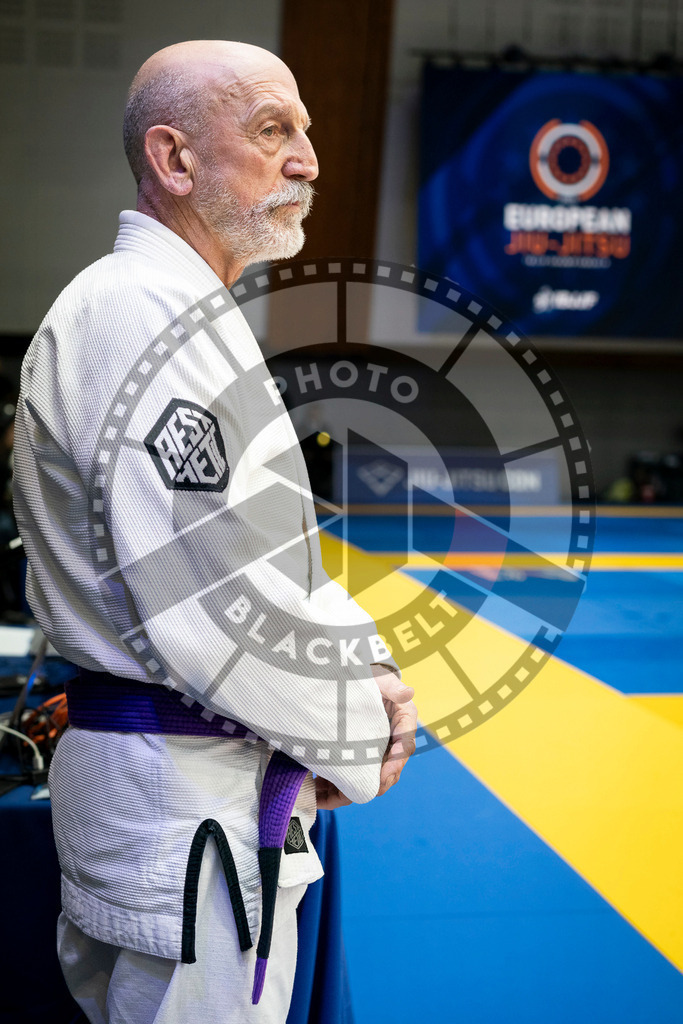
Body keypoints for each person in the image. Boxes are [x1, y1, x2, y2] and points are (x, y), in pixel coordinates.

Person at [13, 39, 417, 1024]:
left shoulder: (183, 316)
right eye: (272, 131)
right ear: (174, 158)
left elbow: (269, 558)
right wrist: (359, 728)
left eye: (306, 133)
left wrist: (366, 671)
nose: (308, 161)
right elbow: (207, 599)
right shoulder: (136, 318)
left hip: (200, 797)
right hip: (180, 814)